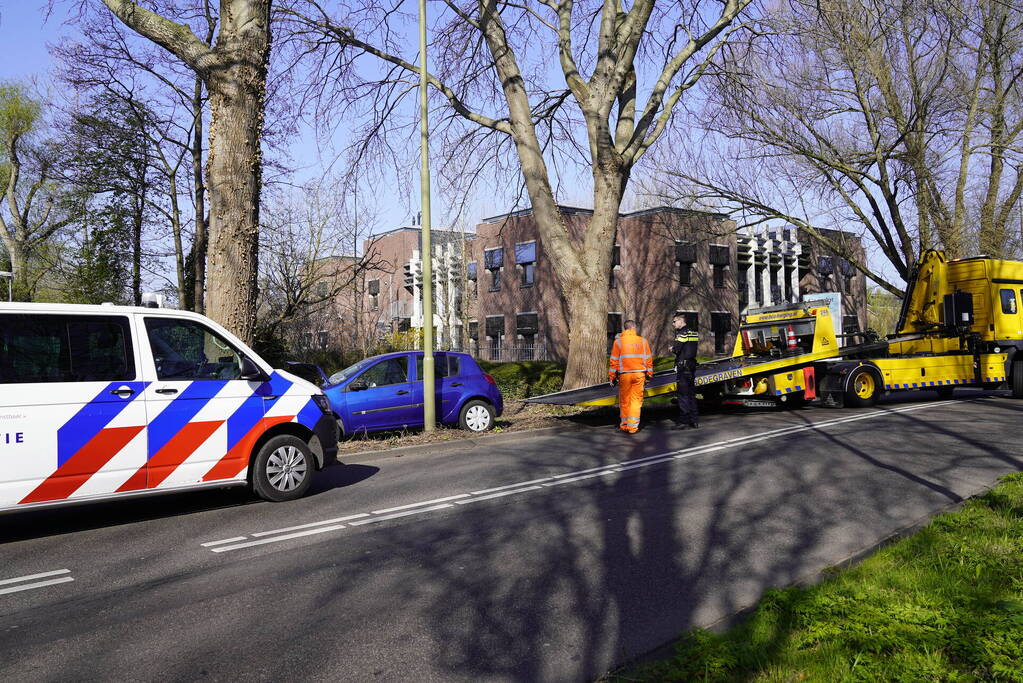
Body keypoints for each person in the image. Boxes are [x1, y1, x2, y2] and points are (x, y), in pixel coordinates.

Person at [609, 319, 653, 434]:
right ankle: (632, 427)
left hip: (625, 375)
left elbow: (614, 361)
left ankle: (624, 425)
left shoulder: (618, 342)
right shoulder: (643, 341)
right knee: (636, 401)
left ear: (625, 328)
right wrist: (649, 375)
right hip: (639, 374)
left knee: (624, 401)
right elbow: (648, 360)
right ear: (634, 328)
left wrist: (612, 376)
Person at [671, 313, 700, 429]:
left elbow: (677, 349)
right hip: (691, 366)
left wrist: (672, 348)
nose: (673, 324)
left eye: (674, 322)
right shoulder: (693, 332)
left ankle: (683, 421)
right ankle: (694, 420)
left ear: (680, 321)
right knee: (691, 394)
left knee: (682, 395)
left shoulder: (682, 333)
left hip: (683, 367)